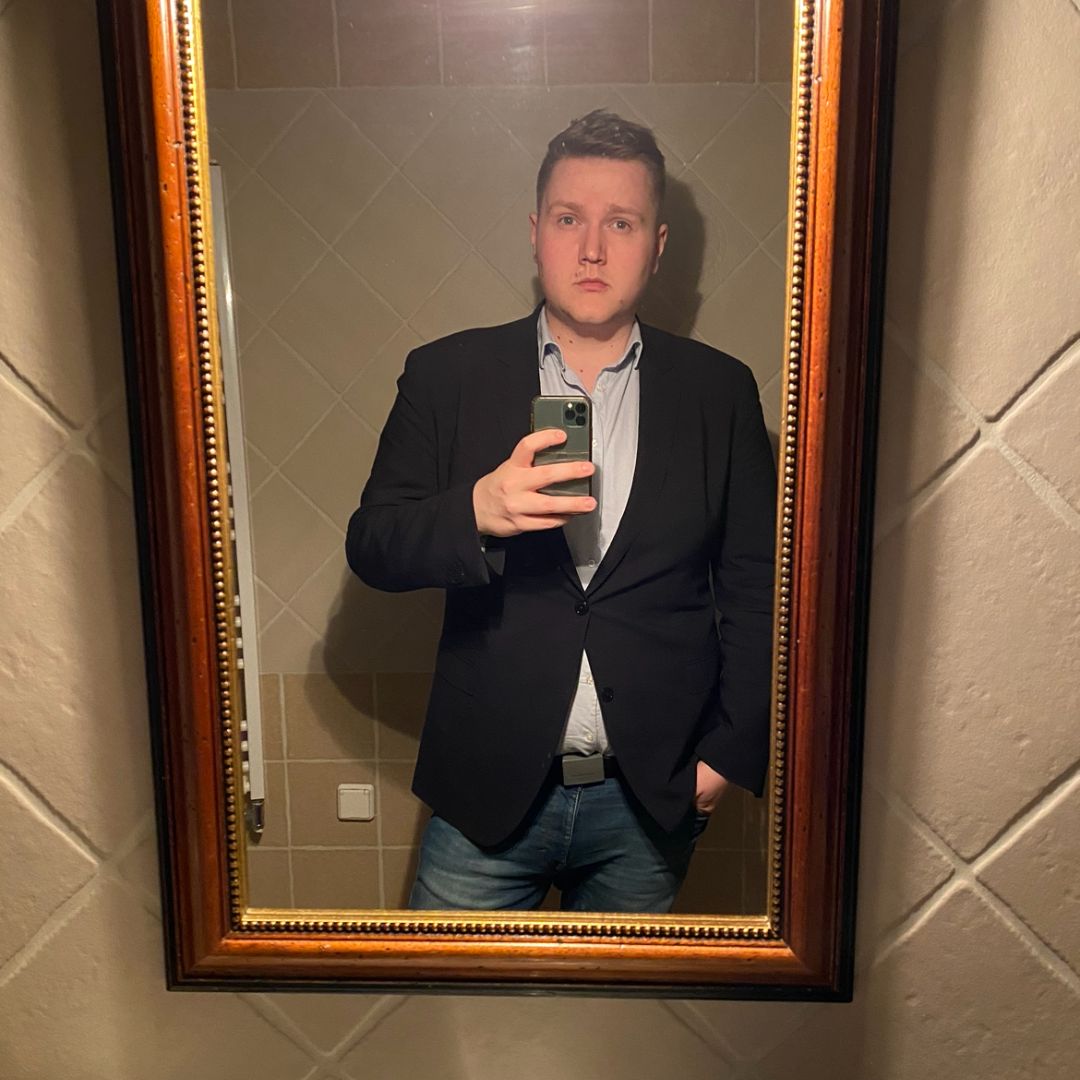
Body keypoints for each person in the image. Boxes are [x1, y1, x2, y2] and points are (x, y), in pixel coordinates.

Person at [346, 110, 776, 913]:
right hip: (484, 794)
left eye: (622, 222)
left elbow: (759, 588)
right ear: (535, 233)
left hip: (651, 800)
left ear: (658, 245)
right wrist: (474, 510)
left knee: (622, 1003)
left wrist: (728, 755)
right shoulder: (447, 375)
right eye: (569, 218)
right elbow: (372, 544)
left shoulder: (719, 392)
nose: (592, 249)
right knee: (444, 994)